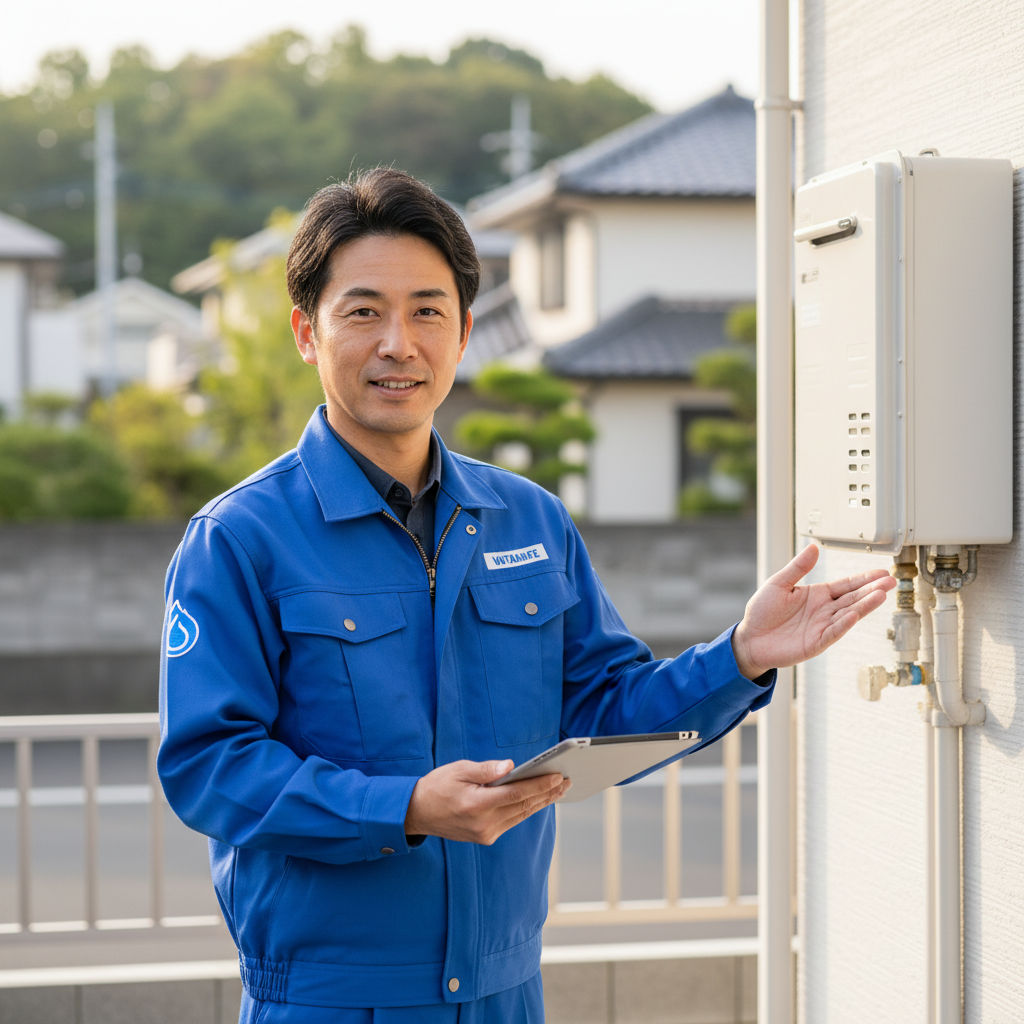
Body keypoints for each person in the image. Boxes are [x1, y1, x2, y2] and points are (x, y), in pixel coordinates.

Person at [157, 168, 895, 1024]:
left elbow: (608, 709)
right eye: (363, 311)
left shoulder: (528, 520)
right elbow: (209, 766)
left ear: (465, 333)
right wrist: (404, 808)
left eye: (428, 311)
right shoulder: (241, 538)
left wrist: (741, 657)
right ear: (306, 332)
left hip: (508, 992)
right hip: (329, 1002)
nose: (399, 342)